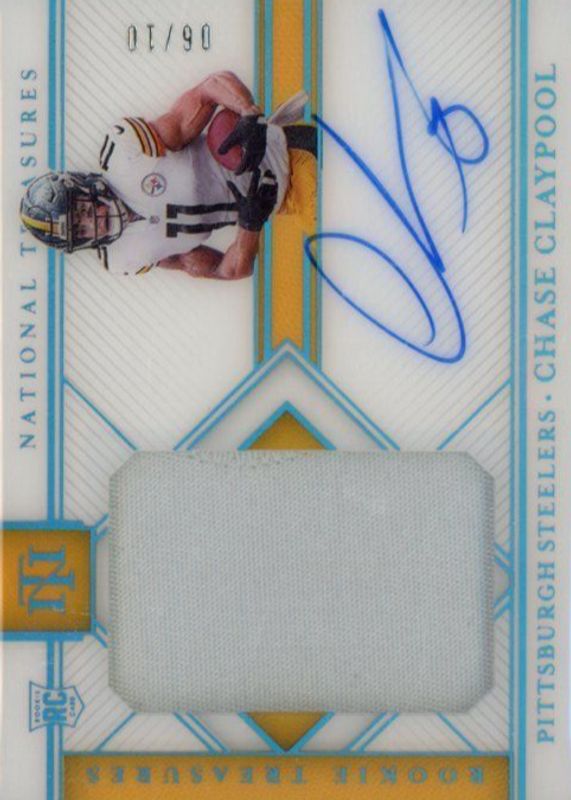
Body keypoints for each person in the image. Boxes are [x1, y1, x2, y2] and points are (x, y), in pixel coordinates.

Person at [20, 71, 317, 280]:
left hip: (293, 155)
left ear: (83, 186)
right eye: (79, 230)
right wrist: (250, 225)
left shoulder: (127, 154)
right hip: (287, 205)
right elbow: (226, 270)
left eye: (83, 212)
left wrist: (248, 113)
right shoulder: (125, 258)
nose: (91, 224)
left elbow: (209, 89)